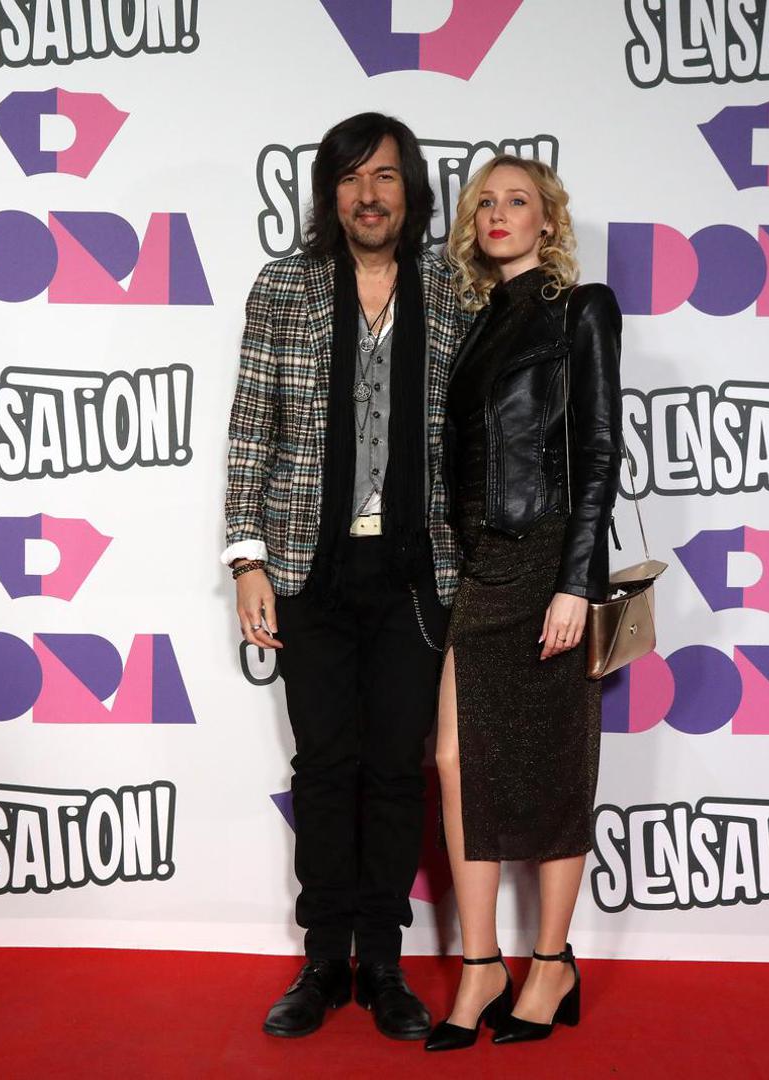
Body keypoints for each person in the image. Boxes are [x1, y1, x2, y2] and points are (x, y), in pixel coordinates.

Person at [222, 112, 468, 1041]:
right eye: (352, 178)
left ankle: (386, 963)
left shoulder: (453, 290)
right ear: (330, 193)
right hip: (305, 568)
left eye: (387, 177)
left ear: (412, 192)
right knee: (324, 766)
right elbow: (252, 424)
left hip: (416, 572)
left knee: (396, 770)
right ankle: (325, 960)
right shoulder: (285, 287)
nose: (370, 195)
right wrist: (247, 559)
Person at [424, 156, 622, 1051]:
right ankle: (480, 965)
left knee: (552, 765)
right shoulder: (476, 325)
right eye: (486, 203)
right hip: (484, 566)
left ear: (549, 221)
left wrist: (577, 581)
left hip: (548, 561)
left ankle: (549, 963)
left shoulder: (581, 310)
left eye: (519, 201)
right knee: (456, 761)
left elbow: (599, 451)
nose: (499, 214)